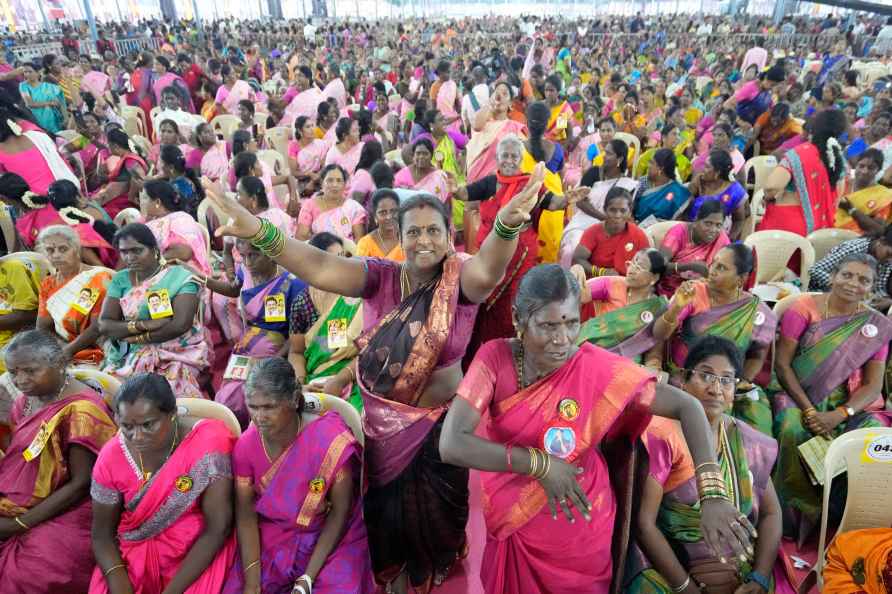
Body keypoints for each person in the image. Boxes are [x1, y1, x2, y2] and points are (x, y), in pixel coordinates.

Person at [202, 161, 547, 593]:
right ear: (400, 238)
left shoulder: (460, 281)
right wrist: (257, 230)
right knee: (388, 522)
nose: (424, 241)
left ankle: (431, 572)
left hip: (443, 432)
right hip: (384, 430)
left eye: (434, 231)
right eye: (414, 232)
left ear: (449, 235)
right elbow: (318, 267)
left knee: (439, 525)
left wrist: (506, 229)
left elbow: (489, 270)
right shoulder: (380, 276)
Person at [439, 265, 755, 593]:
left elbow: (686, 406)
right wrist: (541, 465)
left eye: (571, 323)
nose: (561, 340)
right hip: (514, 521)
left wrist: (713, 493)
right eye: (547, 325)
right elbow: (451, 443)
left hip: (581, 523)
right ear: (519, 319)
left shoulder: (595, 367)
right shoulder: (495, 359)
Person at [629, 336, 782, 594]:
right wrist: (685, 587)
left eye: (726, 380)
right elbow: (644, 525)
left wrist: (760, 577)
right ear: (683, 382)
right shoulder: (663, 437)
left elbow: (771, 514)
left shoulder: (748, 441)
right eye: (706, 376)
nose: (716, 389)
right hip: (673, 574)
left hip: (741, 575)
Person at [222, 358, 374, 593]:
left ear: (294, 399)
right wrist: (252, 584)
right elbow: (246, 516)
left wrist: (307, 579)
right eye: (253, 406)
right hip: (274, 537)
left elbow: (341, 513)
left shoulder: (329, 439)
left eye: (269, 407)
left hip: (331, 538)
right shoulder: (245, 448)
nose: (259, 417)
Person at [772, 254, 892, 540]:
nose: (853, 284)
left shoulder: (874, 326)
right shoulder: (803, 308)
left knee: (875, 439)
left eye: (864, 280)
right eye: (847, 275)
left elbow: (874, 386)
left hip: (846, 402)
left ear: (873, 289)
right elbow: (783, 365)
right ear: (834, 275)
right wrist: (811, 412)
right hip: (796, 393)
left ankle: (851, 520)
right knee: (791, 428)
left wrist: (840, 414)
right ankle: (792, 519)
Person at [89, 372, 236, 593]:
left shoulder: (208, 443)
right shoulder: (111, 457)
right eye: (127, 426)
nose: (137, 436)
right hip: (132, 558)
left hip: (196, 555)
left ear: (173, 414)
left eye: (148, 425)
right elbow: (102, 536)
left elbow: (218, 528)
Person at [450, 134, 584, 366]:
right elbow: (464, 194)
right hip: (489, 258)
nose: (510, 160)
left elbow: (552, 202)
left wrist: (567, 199)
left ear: (522, 160)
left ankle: (511, 357)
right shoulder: (489, 182)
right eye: (505, 156)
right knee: (481, 302)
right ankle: (475, 356)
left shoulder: (530, 185)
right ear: (498, 158)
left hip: (521, 258)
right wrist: (453, 187)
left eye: (515, 156)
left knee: (515, 303)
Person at [0, 330, 117, 592]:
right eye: (13, 372)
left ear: (60, 364)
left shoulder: (83, 410)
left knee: (32, 573)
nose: (21, 380)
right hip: (25, 500)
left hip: (74, 506)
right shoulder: (25, 402)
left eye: (30, 371)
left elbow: (82, 483)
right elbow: (20, 464)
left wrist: (20, 523)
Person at [653, 244, 776, 435]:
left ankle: (740, 465)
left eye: (722, 268)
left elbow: (757, 356)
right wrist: (676, 307)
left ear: (741, 279)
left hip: (730, 383)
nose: (712, 271)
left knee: (757, 419)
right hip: (688, 376)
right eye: (713, 264)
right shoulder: (693, 292)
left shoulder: (757, 312)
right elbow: (659, 334)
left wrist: (738, 383)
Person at [200, 237, 305, 426]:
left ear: (272, 254)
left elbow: (298, 334)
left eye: (254, 255)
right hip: (247, 344)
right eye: (243, 256)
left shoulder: (293, 285)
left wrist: (272, 361)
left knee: (250, 393)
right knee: (228, 391)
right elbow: (232, 290)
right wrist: (201, 277)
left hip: (276, 350)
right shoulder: (244, 271)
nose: (248, 262)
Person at [98, 223, 208, 400]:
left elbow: (180, 325)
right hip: (129, 352)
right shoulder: (121, 279)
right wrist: (142, 325)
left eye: (137, 251)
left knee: (162, 395)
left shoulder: (179, 277)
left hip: (176, 352)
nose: (130, 257)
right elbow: (105, 324)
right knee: (108, 393)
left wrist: (136, 337)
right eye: (124, 252)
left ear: (154, 250)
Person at [288, 232, 364, 411]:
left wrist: (341, 379)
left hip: (355, 374)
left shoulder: (356, 294)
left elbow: (370, 350)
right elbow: (296, 352)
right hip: (316, 381)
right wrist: (300, 384)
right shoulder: (303, 302)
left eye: (342, 257)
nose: (340, 265)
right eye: (332, 259)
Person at [758, 109, 847, 236]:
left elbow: (772, 187)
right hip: (821, 231)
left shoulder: (798, 154)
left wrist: (767, 198)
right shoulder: (838, 160)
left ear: (814, 128)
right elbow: (837, 196)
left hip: (788, 225)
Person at [572, 248, 667, 364]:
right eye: (632, 262)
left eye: (639, 267)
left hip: (625, 365)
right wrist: (577, 271)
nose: (631, 270)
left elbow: (654, 353)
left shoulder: (656, 308)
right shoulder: (612, 284)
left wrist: (653, 367)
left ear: (654, 278)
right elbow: (576, 293)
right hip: (593, 351)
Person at [36, 225, 113, 366]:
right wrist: (58, 349)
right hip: (63, 350)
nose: (56, 255)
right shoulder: (48, 284)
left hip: (100, 349)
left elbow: (97, 327)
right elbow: (43, 327)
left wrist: (67, 352)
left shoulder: (96, 278)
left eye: (63, 249)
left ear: (76, 249)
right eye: (50, 250)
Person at [559, 138, 638, 266]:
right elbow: (580, 202)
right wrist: (604, 217)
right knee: (572, 248)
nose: (604, 156)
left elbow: (626, 210)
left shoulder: (628, 184)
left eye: (609, 153)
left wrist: (612, 220)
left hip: (612, 227)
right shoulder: (594, 172)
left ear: (620, 159)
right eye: (604, 152)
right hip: (583, 223)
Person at [0, 95, 79, 195]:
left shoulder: (52, 137)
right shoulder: (37, 133)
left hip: (60, 194)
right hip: (71, 190)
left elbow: (74, 146)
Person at [571, 186, 649, 278]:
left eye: (623, 211)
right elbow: (578, 259)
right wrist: (601, 272)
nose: (617, 215)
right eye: (612, 210)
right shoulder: (593, 232)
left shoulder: (638, 235)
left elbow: (647, 264)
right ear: (605, 209)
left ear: (630, 212)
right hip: (596, 283)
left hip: (627, 284)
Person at [657, 200, 730, 296]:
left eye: (718, 225)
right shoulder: (679, 233)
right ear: (696, 221)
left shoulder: (722, 240)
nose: (713, 230)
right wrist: (688, 266)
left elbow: (727, 272)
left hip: (702, 295)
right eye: (708, 223)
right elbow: (658, 265)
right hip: (668, 293)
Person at [808, 229, 892, 310]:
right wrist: (840, 284)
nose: (889, 260)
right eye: (888, 253)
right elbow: (815, 270)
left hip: (854, 300)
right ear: (881, 241)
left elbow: (878, 287)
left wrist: (887, 300)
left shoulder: (887, 260)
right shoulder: (855, 248)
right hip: (824, 293)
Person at [140, 179, 211, 276]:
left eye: (144, 198)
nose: (141, 202)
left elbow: (185, 252)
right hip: (163, 272)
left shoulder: (180, 220)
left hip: (185, 276)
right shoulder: (153, 219)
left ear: (157, 202)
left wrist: (153, 263)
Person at [685, 150, 748, 240]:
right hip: (691, 233)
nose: (703, 169)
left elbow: (739, 220)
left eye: (707, 167)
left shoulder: (734, 191)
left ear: (717, 172)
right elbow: (684, 209)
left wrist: (729, 239)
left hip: (715, 235)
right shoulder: (699, 182)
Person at [297, 164, 366, 242]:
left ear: (344, 185)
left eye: (339, 180)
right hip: (317, 252)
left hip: (348, 252)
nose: (335, 185)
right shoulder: (309, 205)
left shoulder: (353, 208)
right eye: (330, 180)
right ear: (322, 183)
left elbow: (359, 240)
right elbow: (301, 237)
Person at [92, 128, 148, 220]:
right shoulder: (127, 157)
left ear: (115, 146)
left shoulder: (130, 160)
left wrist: (131, 196)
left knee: (100, 213)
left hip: (125, 202)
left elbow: (138, 179)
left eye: (109, 144)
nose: (107, 147)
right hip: (118, 196)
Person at [836, 148, 892, 234]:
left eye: (871, 168)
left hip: (857, 242)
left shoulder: (884, 196)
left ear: (878, 171)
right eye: (861, 166)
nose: (864, 171)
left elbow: (879, 230)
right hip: (830, 234)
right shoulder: (842, 185)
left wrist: (851, 210)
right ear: (855, 166)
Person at [634, 148, 691, 222]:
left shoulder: (678, 192)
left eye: (651, 163)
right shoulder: (643, 182)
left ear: (660, 168)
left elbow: (678, 223)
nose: (648, 166)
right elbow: (631, 207)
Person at [394, 138, 450, 203]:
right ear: (413, 156)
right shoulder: (402, 175)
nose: (421, 157)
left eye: (425, 154)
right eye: (418, 153)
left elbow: (446, 201)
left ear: (431, 156)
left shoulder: (440, 176)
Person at [356, 189, 405, 260]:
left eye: (393, 211)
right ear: (375, 216)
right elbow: (360, 269)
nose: (389, 217)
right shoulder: (365, 244)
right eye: (383, 212)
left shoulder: (408, 239)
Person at [19, 63, 66, 134]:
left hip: (54, 118)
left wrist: (65, 117)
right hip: (39, 120)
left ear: (37, 72)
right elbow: (29, 103)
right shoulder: (23, 86)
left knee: (63, 137)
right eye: (25, 72)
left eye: (30, 71)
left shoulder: (48, 87)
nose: (27, 74)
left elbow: (60, 101)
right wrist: (49, 103)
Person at [288, 115, 328, 193]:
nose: (312, 129)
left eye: (313, 126)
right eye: (308, 127)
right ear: (300, 131)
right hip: (304, 181)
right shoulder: (294, 147)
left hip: (321, 177)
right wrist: (309, 174)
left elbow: (325, 166)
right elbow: (294, 172)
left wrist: (315, 179)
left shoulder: (321, 144)